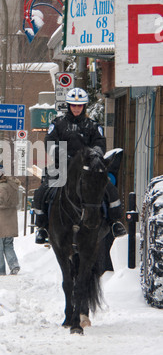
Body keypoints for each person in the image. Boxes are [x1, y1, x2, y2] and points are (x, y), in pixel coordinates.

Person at [34, 87, 126, 244]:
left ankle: (115, 222)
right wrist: (63, 156)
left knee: (109, 188)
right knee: (41, 192)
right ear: (69, 106)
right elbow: (49, 143)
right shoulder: (58, 124)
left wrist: (92, 156)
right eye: (73, 105)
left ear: (84, 106)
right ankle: (42, 227)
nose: (76, 108)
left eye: (80, 105)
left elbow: (99, 145)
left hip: (88, 170)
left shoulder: (92, 125)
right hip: (62, 168)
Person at [0, 164, 21, 275]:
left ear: (2, 173)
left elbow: (0, 202)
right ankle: (14, 264)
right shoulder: (12, 185)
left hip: (0, 221)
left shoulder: (2, 186)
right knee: (8, 244)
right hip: (10, 220)